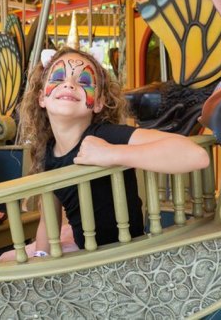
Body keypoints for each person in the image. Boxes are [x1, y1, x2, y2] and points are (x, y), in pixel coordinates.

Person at [18, 47, 210, 256]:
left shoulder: (106, 136)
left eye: (83, 81)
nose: (69, 84)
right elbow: (49, 221)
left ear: (99, 102)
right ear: (41, 98)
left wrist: (112, 154)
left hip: (124, 256)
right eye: (58, 77)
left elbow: (195, 155)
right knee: (8, 259)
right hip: (90, 253)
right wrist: (41, 258)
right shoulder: (48, 152)